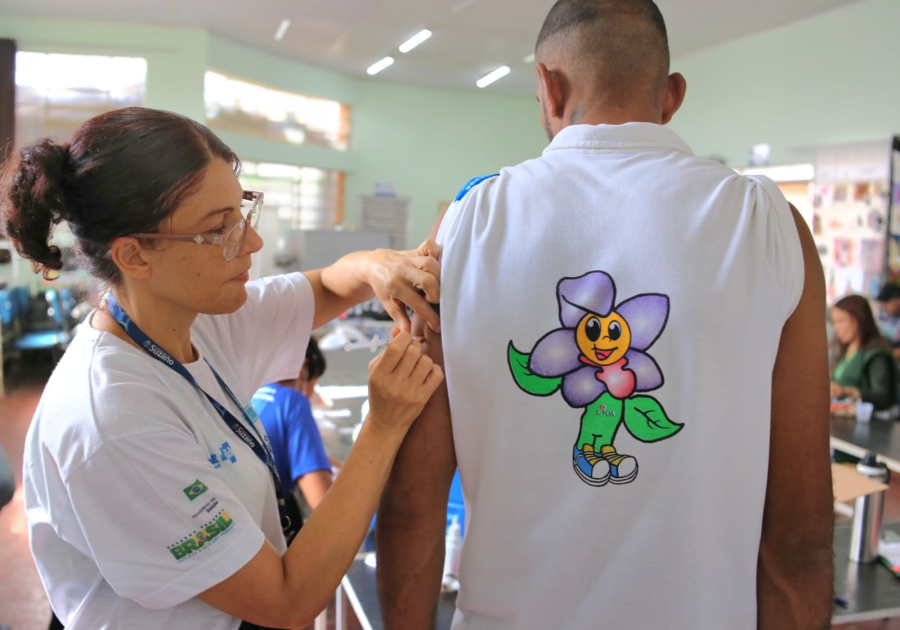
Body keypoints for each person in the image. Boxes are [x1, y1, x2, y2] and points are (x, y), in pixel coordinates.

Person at [375, 1, 833, 629]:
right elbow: (800, 535)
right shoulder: (769, 227)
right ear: (671, 96)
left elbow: (413, 502)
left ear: (547, 87)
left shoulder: (468, 225)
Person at [1, 107, 444, 630]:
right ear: (135, 255)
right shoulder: (113, 421)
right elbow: (287, 600)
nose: (251, 242)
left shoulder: (190, 321)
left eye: (242, 212)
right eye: (218, 229)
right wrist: (384, 423)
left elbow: (328, 285)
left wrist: (377, 264)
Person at [252, 338, 334, 517]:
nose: (311, 393)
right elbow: (322, 499)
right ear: (302, 367)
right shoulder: (292, 402)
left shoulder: (249, 393)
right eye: (314, 382)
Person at [831, 294, 898, 410]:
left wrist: (847, 391)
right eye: (834, 322)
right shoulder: (846, 350)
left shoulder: (876, 354)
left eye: (840, 321)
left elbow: (882, 396)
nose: (836, 328)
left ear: (859, 319)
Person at [875, 283, 900, 361]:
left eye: (886, 302)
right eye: (882, 303)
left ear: (898, 300)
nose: (883, 306)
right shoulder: (883, 317)